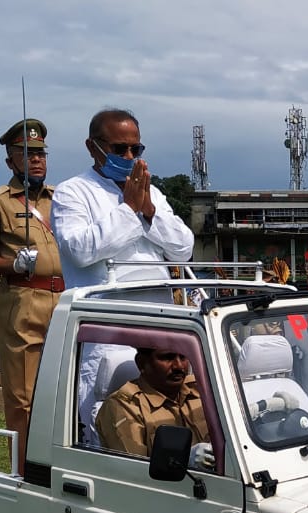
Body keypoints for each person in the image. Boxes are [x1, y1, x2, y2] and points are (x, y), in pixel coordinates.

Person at [52, 108, 195, 441]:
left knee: (166, 420)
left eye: (137, 149)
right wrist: (129, 210)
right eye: (120, 149)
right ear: (93, 147)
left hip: (157, 326)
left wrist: (148, 210)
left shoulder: (151, 191)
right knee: (106, 421)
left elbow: (183, 248)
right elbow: (80, 249)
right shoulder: (73, 191)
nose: (129, 156)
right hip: (108, 329)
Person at [0, 119, 64, 456]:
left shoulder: (61, 200)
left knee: (70, 389)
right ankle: (23, 469)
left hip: (67, 299)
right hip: (25, 300)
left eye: (41, 154)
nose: (37, 160)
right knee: (24, 396)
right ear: (11, 161)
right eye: (27, 154)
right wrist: (13, 264)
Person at [95, 347, 214, 470]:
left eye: (183, 357)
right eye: (167, 358)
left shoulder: (202, 390)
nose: (179, 366)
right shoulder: (124, 407)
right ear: (142, 363)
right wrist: (182, 460)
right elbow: (133, 471)